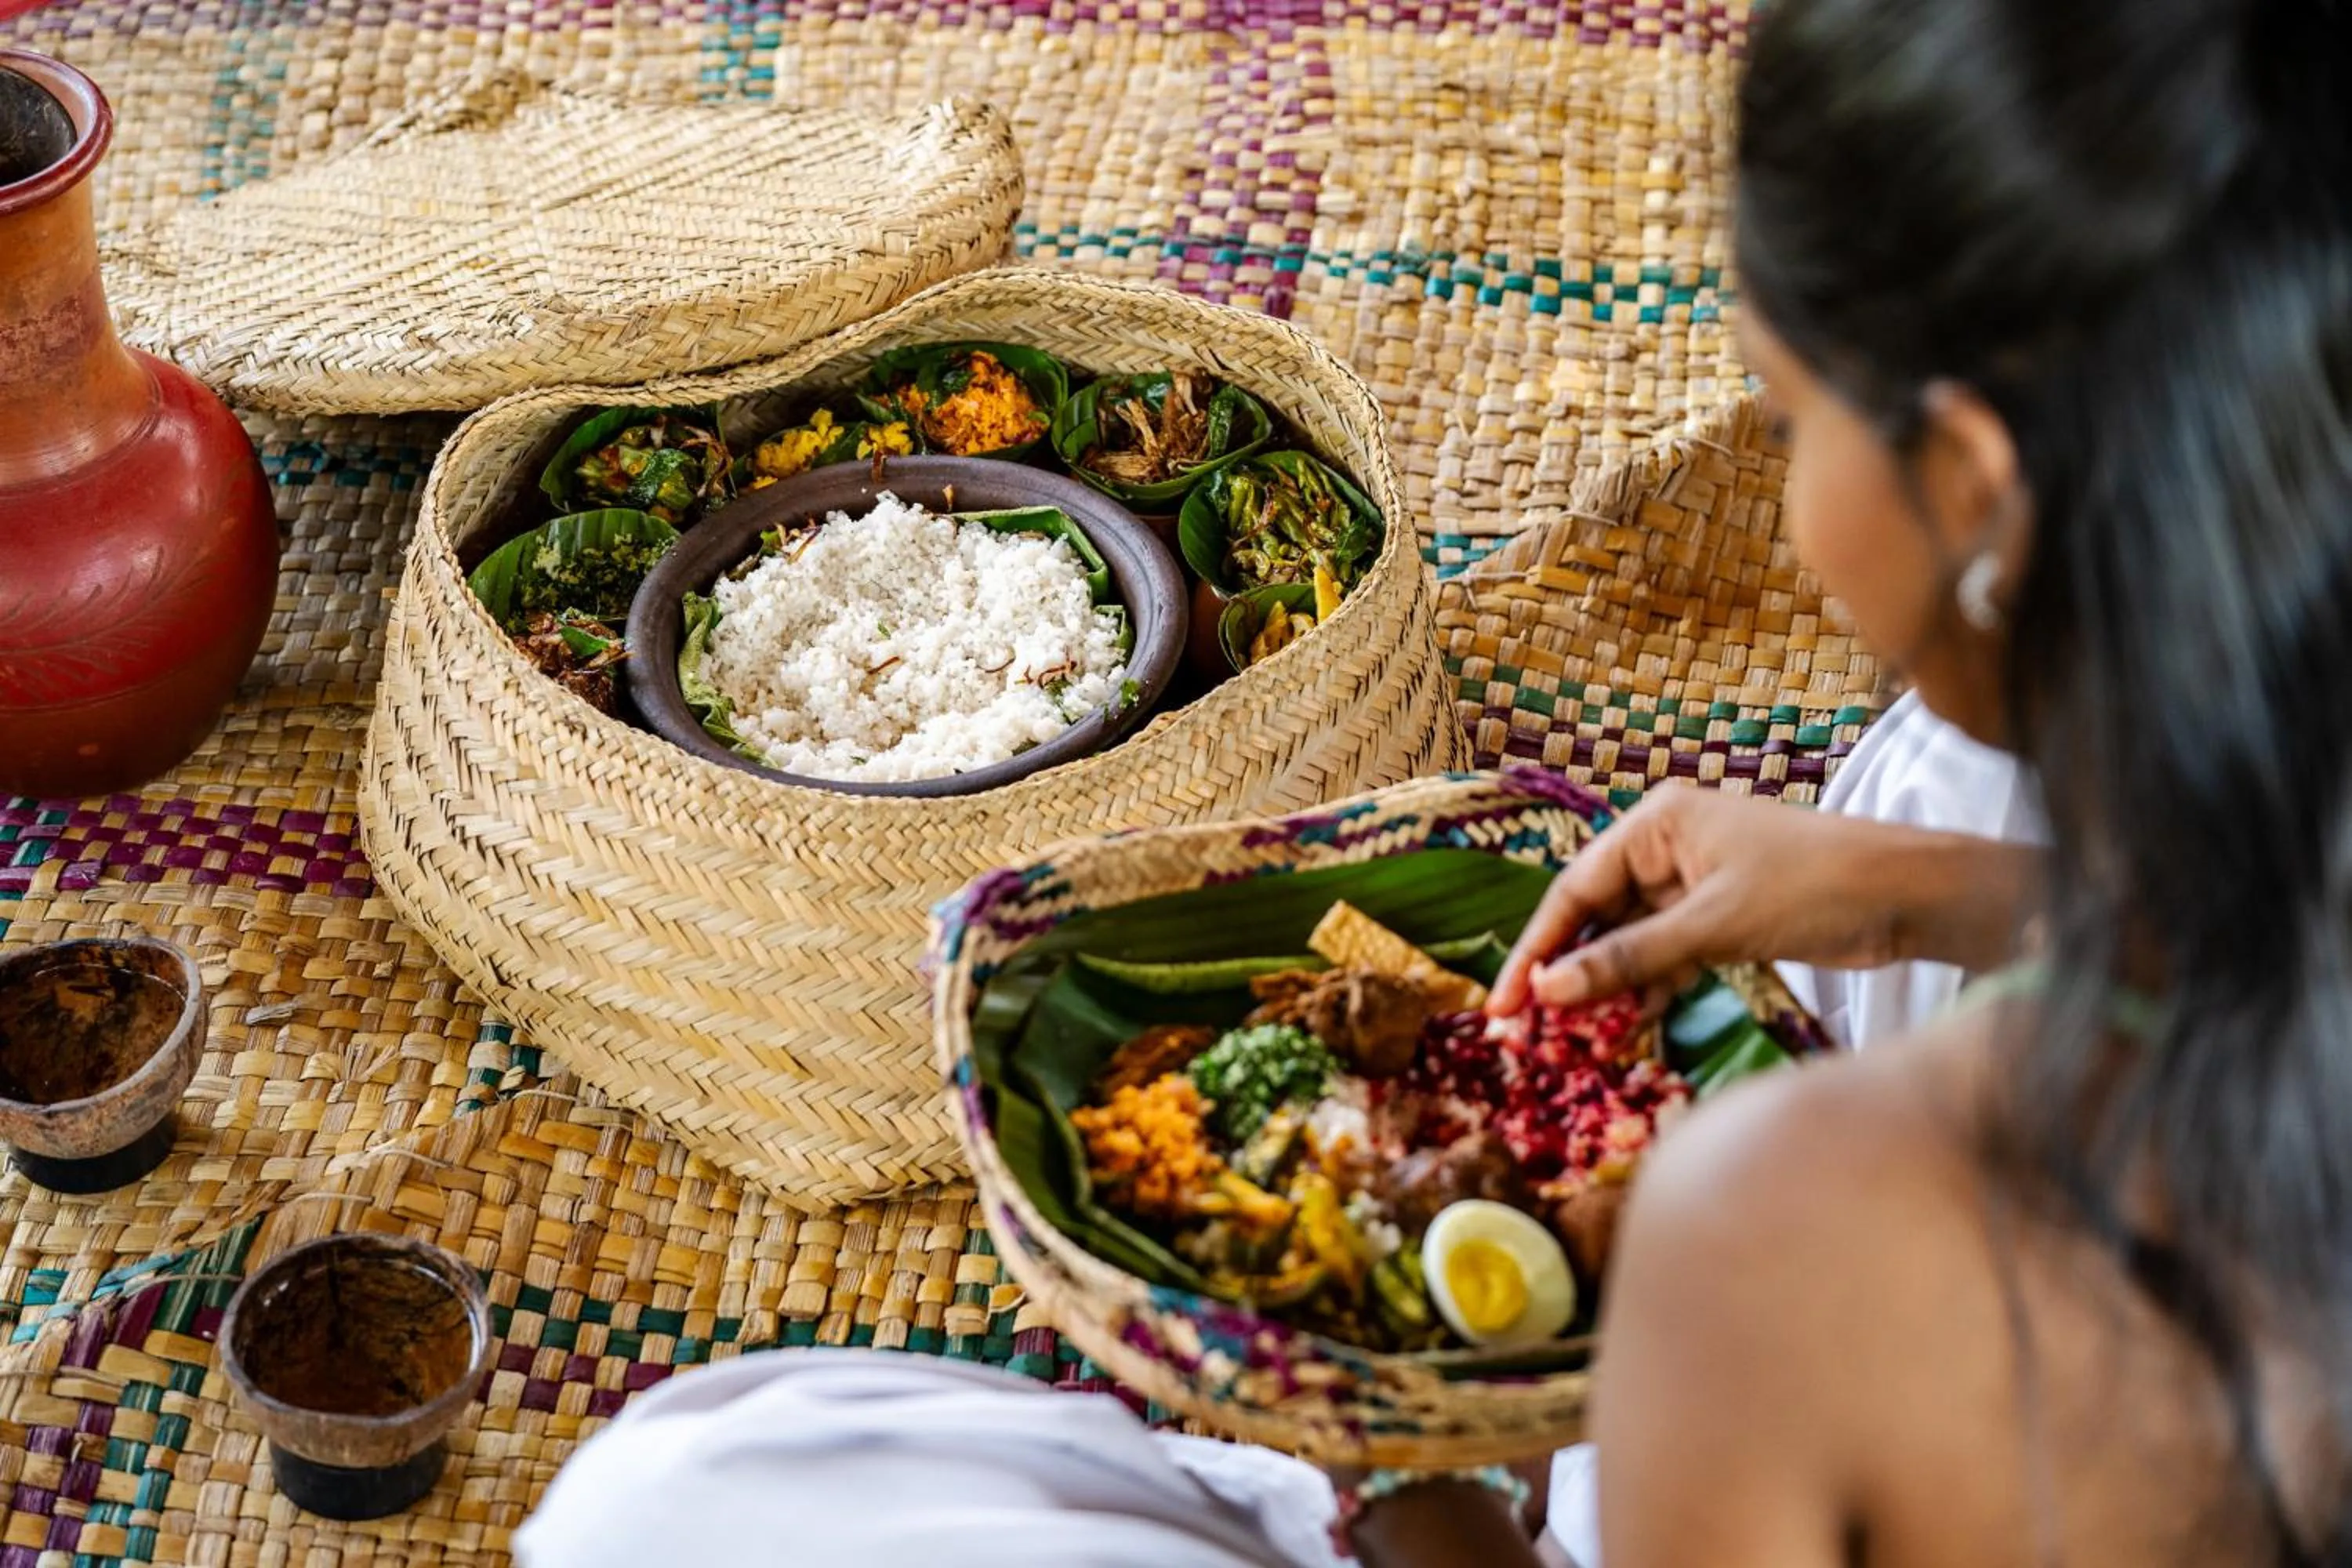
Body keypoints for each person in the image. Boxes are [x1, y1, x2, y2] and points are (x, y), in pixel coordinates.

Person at [516, 0, 2352, 1561]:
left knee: (673, 1499)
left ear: (1972, 481)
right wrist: (1920, 885)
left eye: (1788, 415)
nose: (1788, 495)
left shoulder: (1790, 1213)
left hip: (1752, 1411)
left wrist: (1396, 1473)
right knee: (1973, 764)